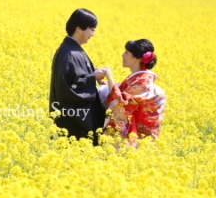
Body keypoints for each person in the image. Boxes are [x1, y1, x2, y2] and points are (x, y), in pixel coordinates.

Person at [49, 9, 108, 145]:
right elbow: (70, 86)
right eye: (92, 29)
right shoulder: (69, 53)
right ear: (79, 28)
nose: (93, 34)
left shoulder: (71, 49)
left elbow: (78, 76)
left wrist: (94, 74)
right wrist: (93, 77)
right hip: (73, 122)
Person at [102, 39, 166, 147]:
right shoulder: (138, 79)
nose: (123, 55)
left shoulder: (143, 82)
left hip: (139, 139)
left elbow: (121, 101)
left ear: (137, 58)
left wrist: (109, 77)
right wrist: (103, 82)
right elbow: (121, 92)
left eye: (126, 52)